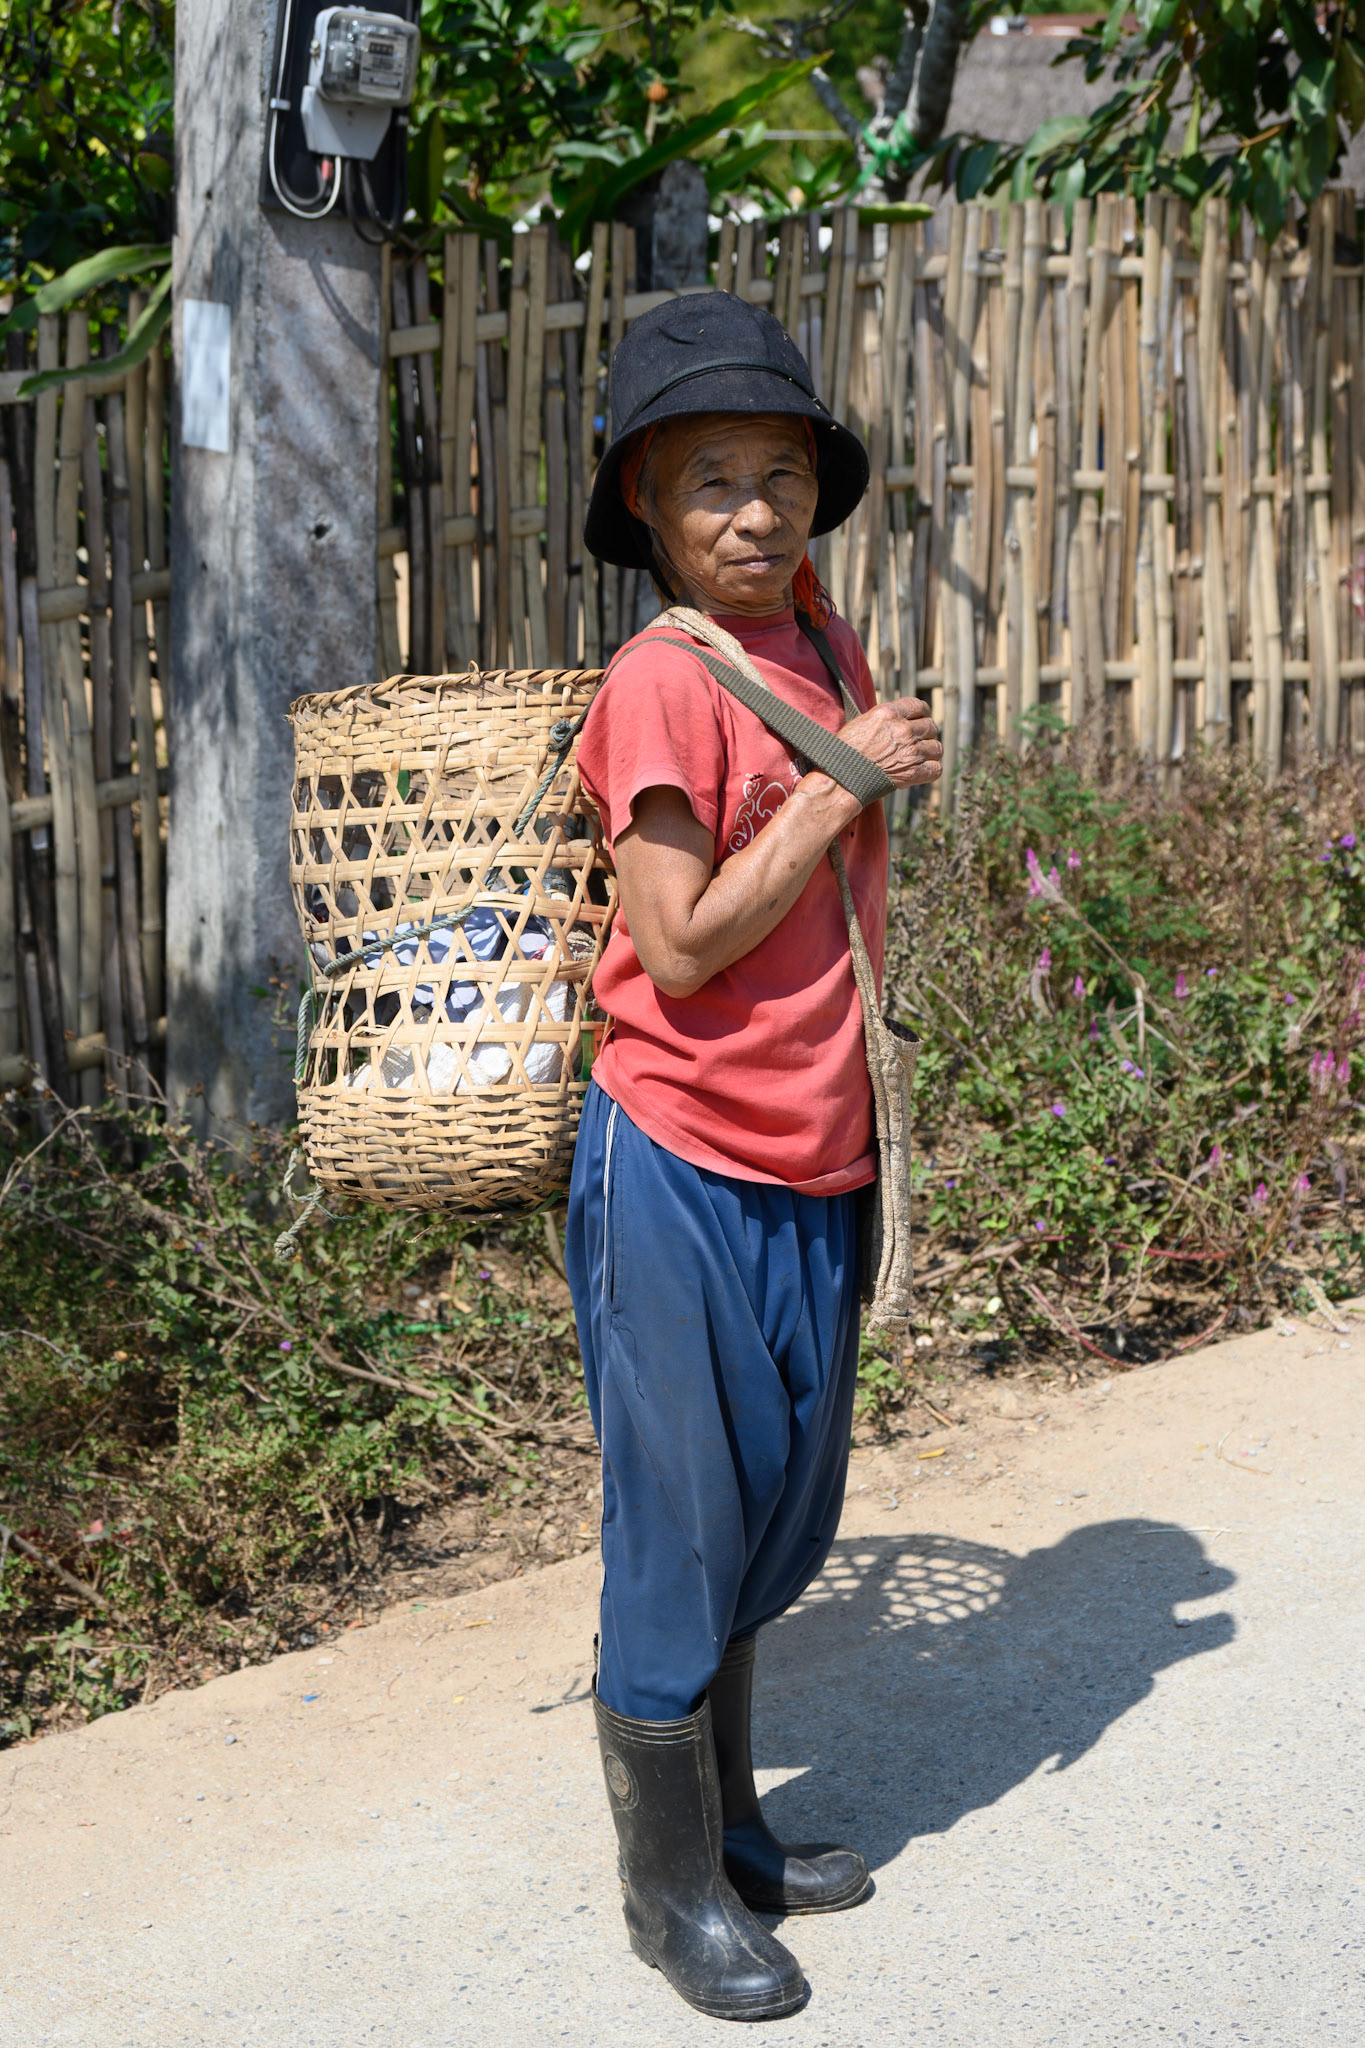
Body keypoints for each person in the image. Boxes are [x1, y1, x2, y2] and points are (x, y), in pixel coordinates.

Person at [564, 291, 943, 2022]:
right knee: (681, 1525)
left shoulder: (822, 646)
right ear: (645, 499)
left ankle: (727, 1829)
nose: (753, 510)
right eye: (709, 476)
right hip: (680, 1158)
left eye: (780, 472)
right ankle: (666, 1897)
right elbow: (689, 946)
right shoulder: (661, 686)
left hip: (816, 1147)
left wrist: (867, 760)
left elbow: (833, 847)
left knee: (783, 1505)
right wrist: (836, 790)